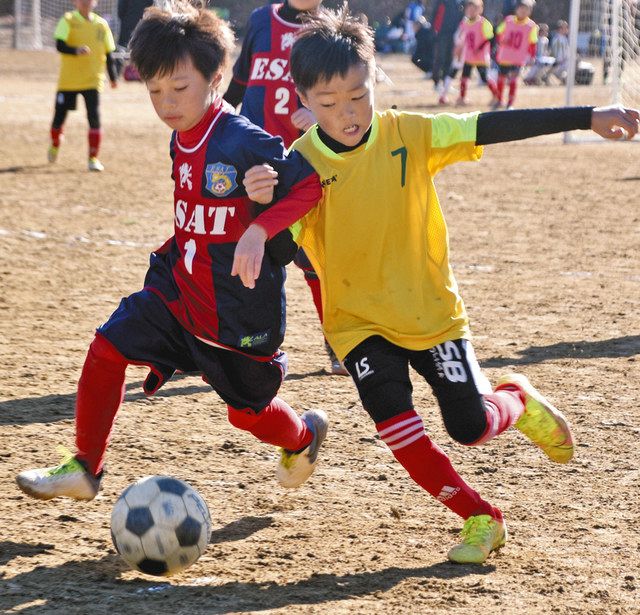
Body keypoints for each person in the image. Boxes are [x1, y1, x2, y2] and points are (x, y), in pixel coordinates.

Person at [239, 4, 639, 564]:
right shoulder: (299, 166)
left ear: (373, 79)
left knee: (469, 426)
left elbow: (491, 127)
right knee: (397, 426)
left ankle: (517, 402)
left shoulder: (411, 132)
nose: (347, 113)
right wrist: (266, 207)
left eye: (358, 95)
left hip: (431, 315)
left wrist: (586, 116)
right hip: (357, 323)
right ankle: (480, 516)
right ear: (303, 102)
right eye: (328, 104)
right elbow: (285, 251)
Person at [16, 0, 328, 503]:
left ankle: (303, 437)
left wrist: (260, 223)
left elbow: (310, 187)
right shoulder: (180, 137)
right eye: (155, 90)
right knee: (107, 346)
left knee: (245, 413)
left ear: (217, 78)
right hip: (181, 291)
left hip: (238, 310)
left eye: (180, 88)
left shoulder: (246, 140)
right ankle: (85, 466)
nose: (167, 103)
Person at [223, 0, 348, 376]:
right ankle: (217, 340)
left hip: (300, 163)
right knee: (232, 251)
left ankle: (339, 344)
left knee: (313, 260)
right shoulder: (262, 19)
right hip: (249, 161)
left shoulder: (331, 27)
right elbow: (240, 83)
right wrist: (214, 123)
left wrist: (319, 117)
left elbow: (350, 94)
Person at [47, 0, 118, 172]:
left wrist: (113, 77)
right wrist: (75, 50)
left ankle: (93, 158)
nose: (85, 2)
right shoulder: (68, 19)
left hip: (93, 79)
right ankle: (55, 143)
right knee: (59, 118)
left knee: (94, 117)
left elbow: (109, 53)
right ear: (75, 2)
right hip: (68, 80)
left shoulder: (102, 25)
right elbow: (59, 45)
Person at [494, 0, 538, 109]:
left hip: (518, 57)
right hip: (505, 55)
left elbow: (533, 43)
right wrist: (501, 40)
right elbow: (499, 33)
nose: (523, 11)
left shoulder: (531, 26)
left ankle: (510, 102)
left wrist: (532, 56)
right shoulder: (508, 21)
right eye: (521, 9)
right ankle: (499, 100)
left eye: (526, 10)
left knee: (513, 78)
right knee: (501, 78)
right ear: (516, 10)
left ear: (530, 12)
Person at [454, 0, 499, 105]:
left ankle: (497, 95)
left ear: (480, 9)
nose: (471, 11)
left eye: (474, 9)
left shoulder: (484, 23)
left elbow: (490, 38)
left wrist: (480, 48)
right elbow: (462, 39)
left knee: (484, 78)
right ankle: (462, 98)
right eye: (469, 9)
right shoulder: (464, 23)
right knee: (464, 77)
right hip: (469, 56)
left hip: (480, 57)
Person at [430, 0, 464, 95]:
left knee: (450, 59)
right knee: (440, 57)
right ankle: (436, 82)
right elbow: (436, 14)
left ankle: (446, 83)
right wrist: (434, 30)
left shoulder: (461, 2)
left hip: (454, 33)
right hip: (442, 33)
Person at [116, 0, 154, 80]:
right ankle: (145, 73)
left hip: (127, 22)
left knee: (122, 47)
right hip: (143, 22)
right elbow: (152, 6)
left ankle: (117, 73)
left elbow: (120, 10)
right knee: (143, 48)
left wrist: (125, 18)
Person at [550, 19, 570, 85]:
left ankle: (565, 79)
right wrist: (559, 60)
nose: (567, 29)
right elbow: (557, 52)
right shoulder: (557, 39)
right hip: (559, 63)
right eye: (565, 27)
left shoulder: (564, 38)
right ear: (560, 29)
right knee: (565, 72)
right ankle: (564, 79)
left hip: (565, 61)